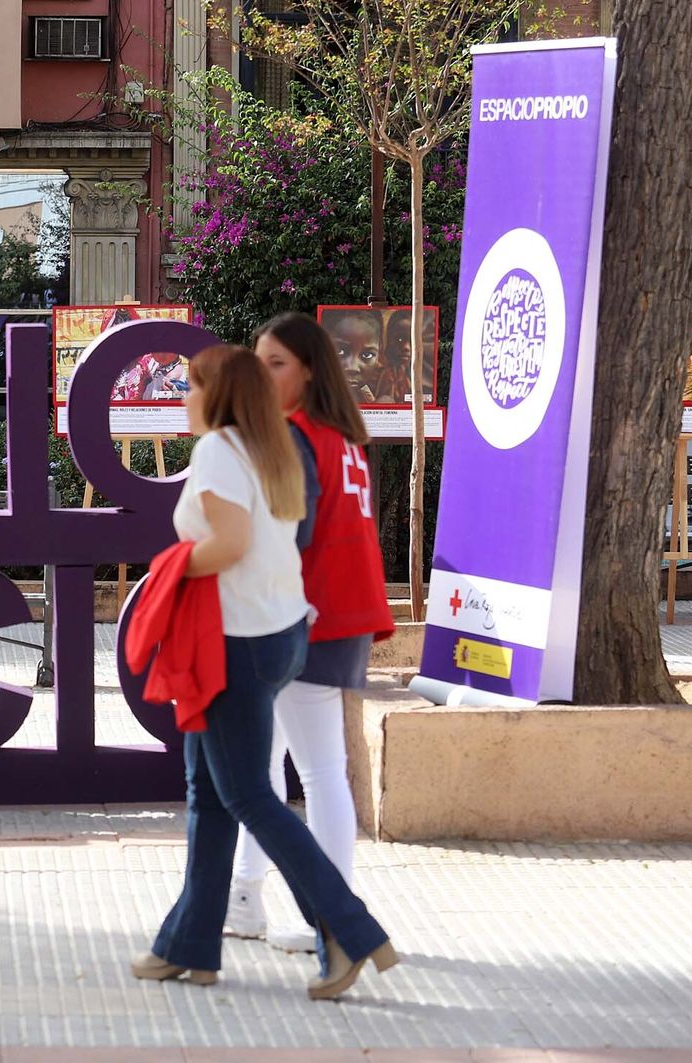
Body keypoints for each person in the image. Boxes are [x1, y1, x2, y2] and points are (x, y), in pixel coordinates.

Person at [130, 343, 398, 1001]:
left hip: (235, 640)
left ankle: (347, 928)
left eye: (190, 388)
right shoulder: (272, 444)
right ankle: (189, 943)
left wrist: (170, 567)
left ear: (216, 394)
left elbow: (231, 545)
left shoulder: (219, 450)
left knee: (246, 792)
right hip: (278, 631)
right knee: (209, 787)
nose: (182, 401)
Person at [223, 312, 397, 955]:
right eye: (257, 361)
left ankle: (330, 914)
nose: (261, 375)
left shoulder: (293, 437)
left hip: (302, 616)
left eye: (276, 365)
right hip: (338, 611)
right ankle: (245, 895)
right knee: (272, 763)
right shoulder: (344, 437)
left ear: (308, 371)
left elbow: (287, 533)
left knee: (316, 770)